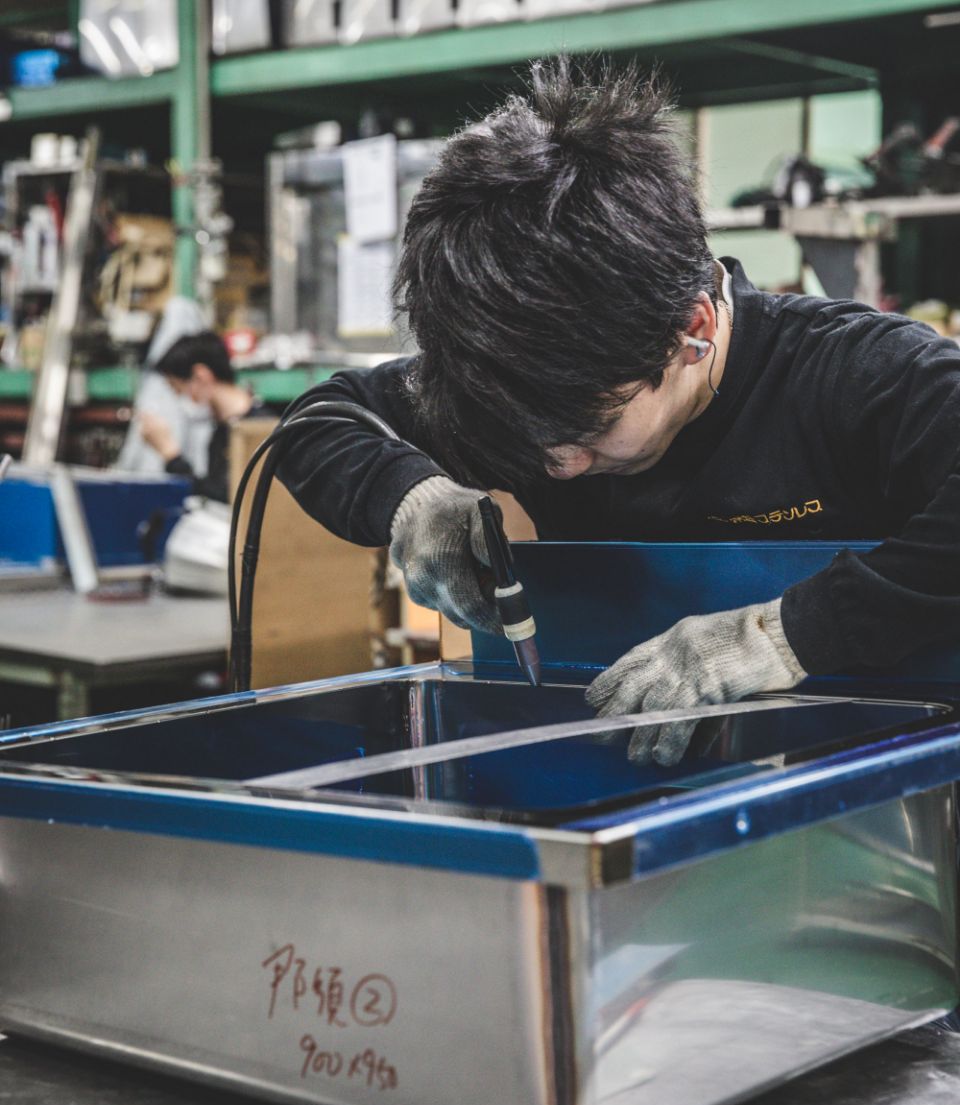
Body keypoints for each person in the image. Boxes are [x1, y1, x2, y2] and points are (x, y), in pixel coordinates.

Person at [278, 58, 960, 764]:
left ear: (693, 329)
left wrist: (784, 636)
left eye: (593, 425)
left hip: (885, 781)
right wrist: (411, 500)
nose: (559, 466)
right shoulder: (521, 383)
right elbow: (317, 421)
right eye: (526, 437)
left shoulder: (857, 373)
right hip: (620, 775)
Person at [139, 331, 259, 503]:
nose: (179, 399)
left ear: (200, 377)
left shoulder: (258, 431)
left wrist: (171, 454)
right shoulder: (221, 432)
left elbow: (228, 499)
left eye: (177, 389)